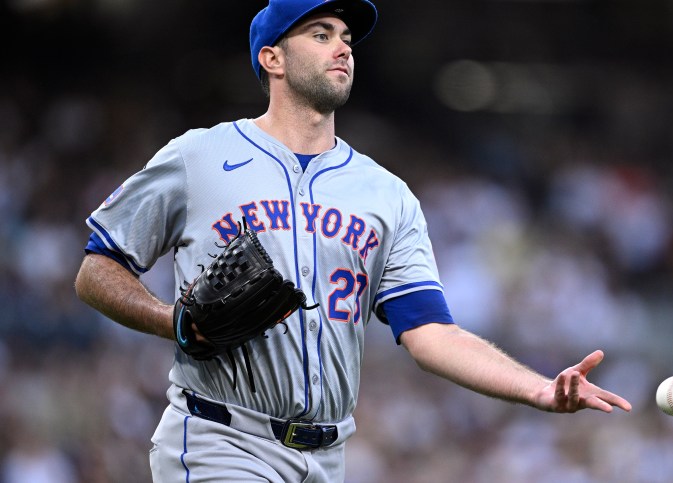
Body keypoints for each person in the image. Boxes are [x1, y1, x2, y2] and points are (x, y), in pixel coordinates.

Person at [74, 0, 632, 481]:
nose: (342, 47)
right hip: (222, 438)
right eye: (320, 35)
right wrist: (169, 319)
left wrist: (535, 389)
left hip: (328, 457)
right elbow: (97, 269)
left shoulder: (386, 195)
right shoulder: (198, 158)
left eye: (346, 38)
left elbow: (431, 333)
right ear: (273, 58)